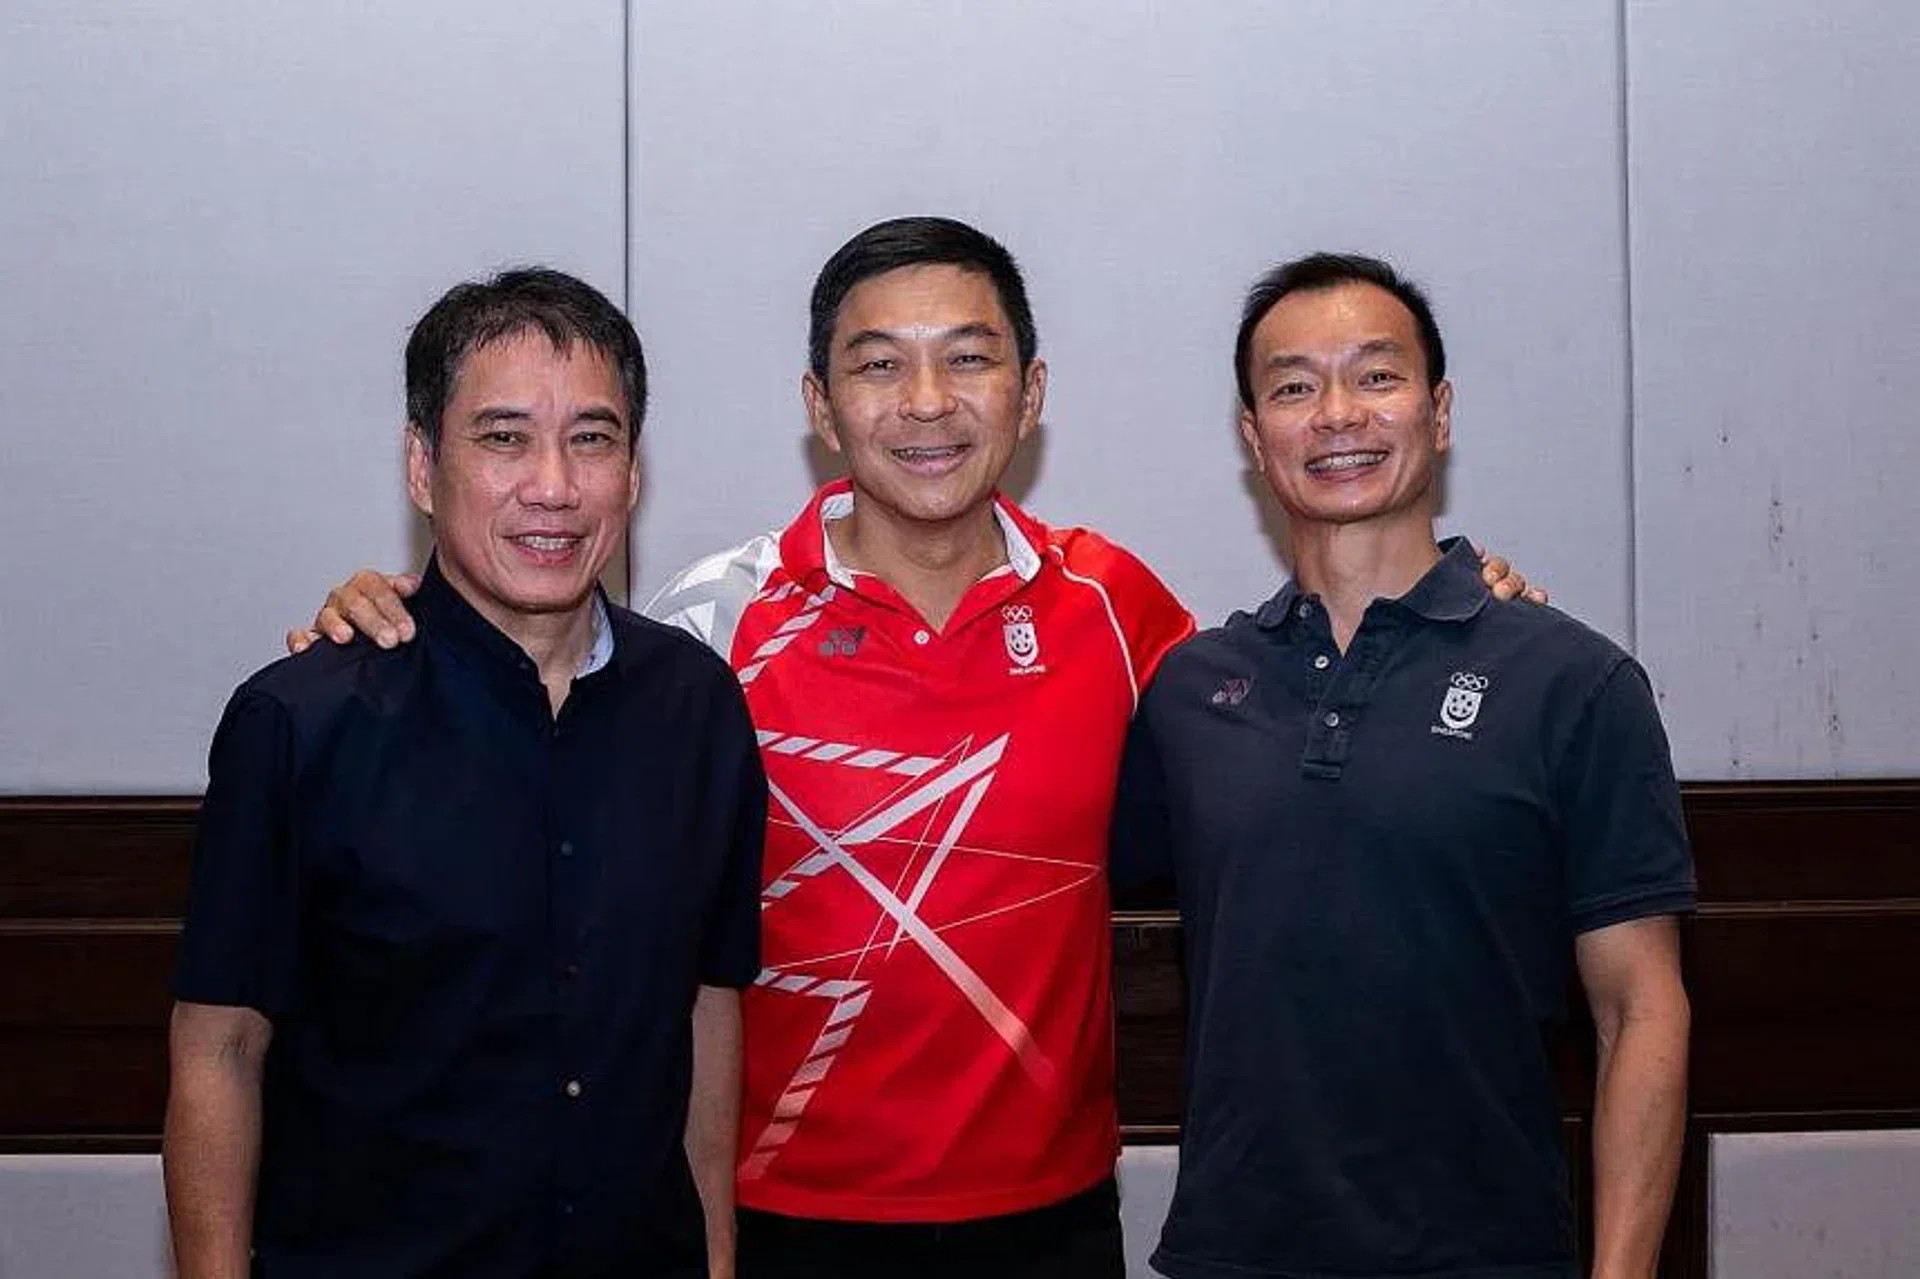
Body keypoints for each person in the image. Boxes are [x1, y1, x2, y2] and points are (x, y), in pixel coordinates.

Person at [293, 221, 1536, 1278]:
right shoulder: (709, 620)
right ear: (820, 408)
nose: (928, 404)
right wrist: (394, 622)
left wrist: (1456, 616)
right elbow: (525, 704)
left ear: (1030, 394)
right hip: (774, 1222)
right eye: (880, 366)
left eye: (970, 360)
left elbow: (1313, 724)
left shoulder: (1118, 608)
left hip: (1051, 1222)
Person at [165, 268, 766, 1279]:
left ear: (632, 468)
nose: (554, 485)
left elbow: (705, 1011)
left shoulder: (698, 706)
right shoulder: (302, 721)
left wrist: (715, 1260)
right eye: (502, 438)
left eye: (592, 436)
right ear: (420, 465)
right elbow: (217, 1053)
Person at [1112, 253, 1694, 1279]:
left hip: (1490, 1251)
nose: (1338, 413)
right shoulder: (1191, 690)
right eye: (1294, 387)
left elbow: (1641, 1007)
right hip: (1236, 1253)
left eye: (1377, 376)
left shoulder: (1574, 681)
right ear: (1255, 437)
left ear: (1440, 410)